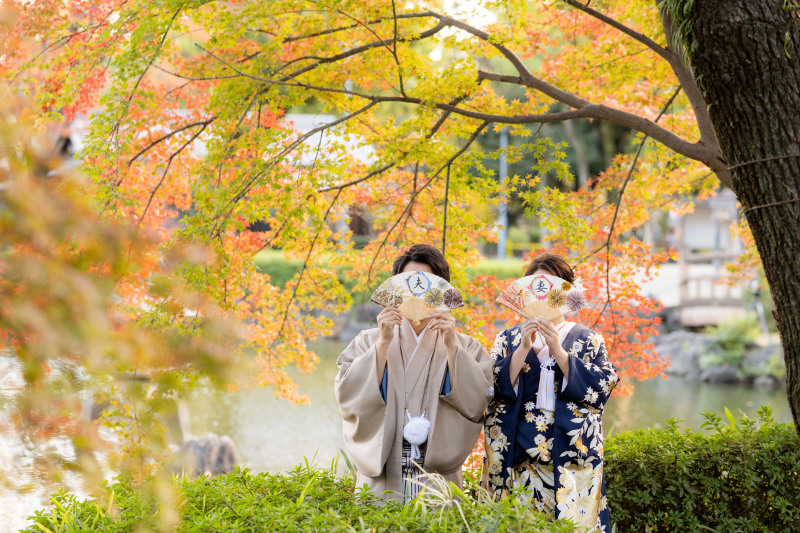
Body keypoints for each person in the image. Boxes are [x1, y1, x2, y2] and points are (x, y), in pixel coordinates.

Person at [336, 244, 493, 503]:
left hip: (437, 476)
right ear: (396, 288)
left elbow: (478, 402)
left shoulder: (465, 346)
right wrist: (382, 344)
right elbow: (347, 397)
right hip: (383, 473)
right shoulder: (369, 340)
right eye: (409, 284)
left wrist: (453, 347)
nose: (417, 294)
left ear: (441, 289)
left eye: (427, 285)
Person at [483, 252, 619, 532]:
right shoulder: (507, 338)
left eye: (552, 287)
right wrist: (522, 349)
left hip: (568, 452)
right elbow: (488, 389)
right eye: (535, 286)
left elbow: (603, 387)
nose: (543, 295)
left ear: (567, 292)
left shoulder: (588, 339)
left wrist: (558, 350)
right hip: (518, 454)